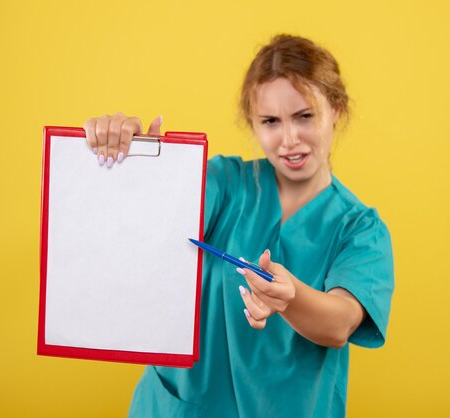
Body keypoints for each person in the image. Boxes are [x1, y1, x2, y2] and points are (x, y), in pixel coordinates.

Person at [83, 34, 394, 418]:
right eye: (270, 122)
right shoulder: (224, 183)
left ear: (337, 111)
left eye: (305, 116)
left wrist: (291, 296)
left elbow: (341, 323)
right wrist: (130, 154)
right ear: (252, 123)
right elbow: (148, 220)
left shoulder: (360, 229)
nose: (289, 140)